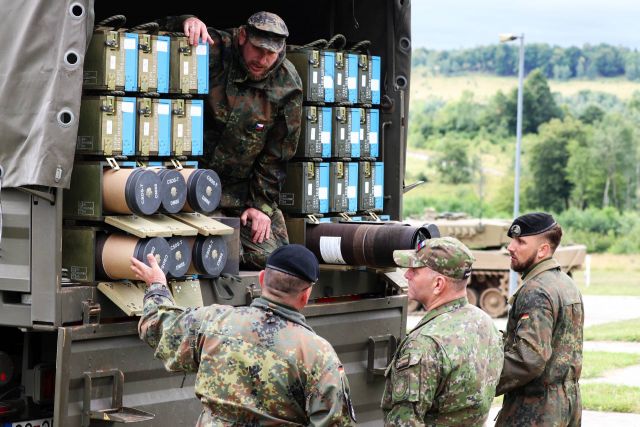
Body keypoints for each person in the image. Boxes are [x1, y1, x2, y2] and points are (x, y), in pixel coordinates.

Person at [132, 244, 356, 426]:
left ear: (261, 279)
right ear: (306, 295)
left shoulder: (213, 321)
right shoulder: (317, 355)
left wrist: (157, 285)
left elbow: (156, 326)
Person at [159, 11, 303, 269]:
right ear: (243, 36)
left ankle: (221, 241)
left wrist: (260, 205)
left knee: (273, 259)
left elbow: (278, 155)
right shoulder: (214, 49)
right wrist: (185, 22)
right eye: (258, 49)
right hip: (187, 184)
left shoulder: (287, 84)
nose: (263, 60)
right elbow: (156, 36)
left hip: (239, 194)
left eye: (271, 53)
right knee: (184, 251)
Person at [381, 237, 504, 426]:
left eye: (415, 270)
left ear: (438, 284)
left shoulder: (423, 344)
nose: (406, 275)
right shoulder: (484, 322)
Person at [495, 212, 584, 426]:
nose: (510, 247)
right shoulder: (566, 283)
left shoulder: (536, 291)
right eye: (512, 240)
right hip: (567, 405)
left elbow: (529, 359)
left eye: (520, 242)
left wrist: (484, 382)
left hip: (535, 410)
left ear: (543, 250)